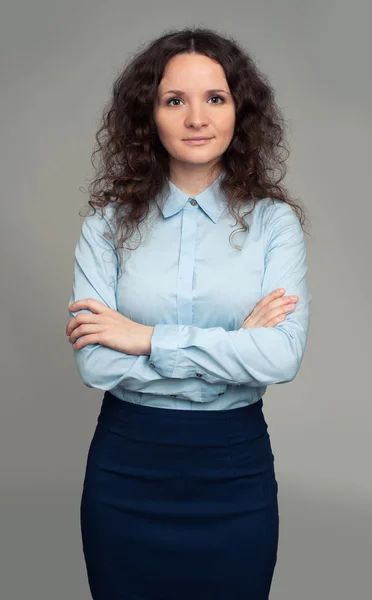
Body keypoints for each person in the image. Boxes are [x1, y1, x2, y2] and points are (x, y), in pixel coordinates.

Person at [65, 26, 312, 600]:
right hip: (128, 467)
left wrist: (144, 338)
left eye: (215, 99)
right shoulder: (104, 227)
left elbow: (281, 356)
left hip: (234, 469)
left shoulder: (275, 225)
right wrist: (233, 349)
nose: (196, 118)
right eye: (175, 100)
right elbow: (97, 366)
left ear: (239, 112)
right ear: (148, 115)